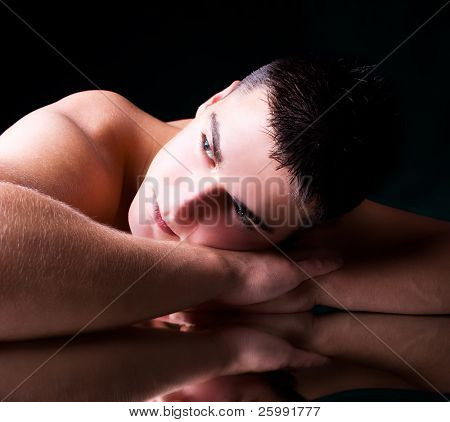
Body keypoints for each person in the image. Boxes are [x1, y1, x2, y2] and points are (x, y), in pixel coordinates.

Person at [0, 57, 448, 341]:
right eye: (208, 149)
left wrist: (297, 279)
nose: (180, 206)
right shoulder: (88, 136)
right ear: (216, 99)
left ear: (295, 236)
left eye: (242, 211)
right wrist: (231, 277)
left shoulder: (293, 201)